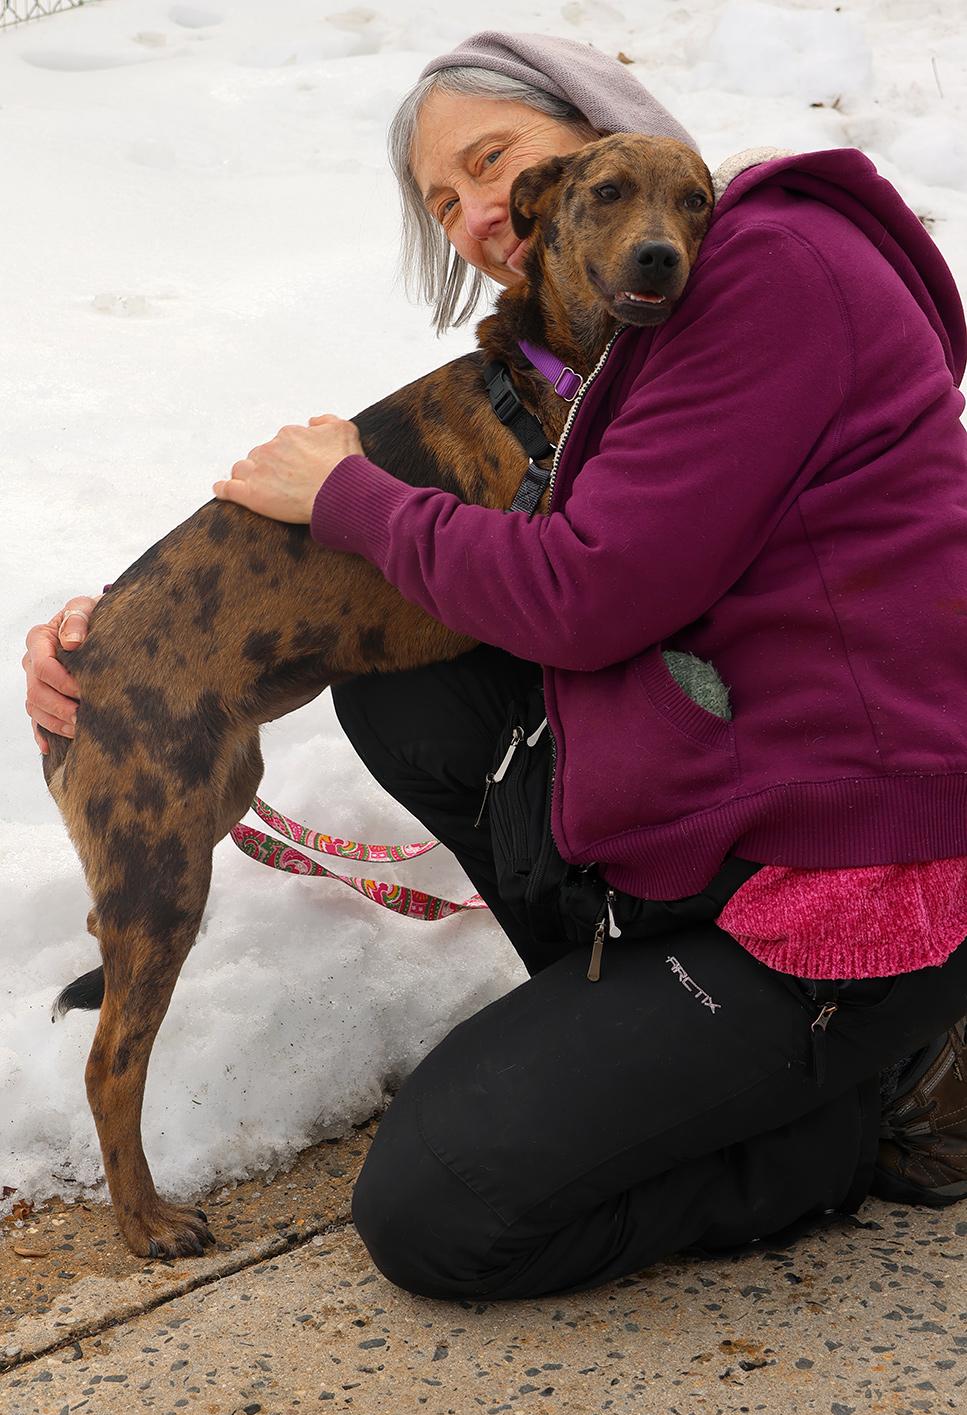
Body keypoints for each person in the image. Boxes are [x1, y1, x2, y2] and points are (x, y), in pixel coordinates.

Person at [23, 32, 967, 1301]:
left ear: (596, 134)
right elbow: (417, 575)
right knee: (408, 684)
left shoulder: (769, 273)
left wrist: (352, 498)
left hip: (850, 877)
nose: (474, 214)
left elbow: (586, 592)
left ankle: (860, 1112)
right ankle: (647, 1050)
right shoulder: (597, 372)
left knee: (443, 1208)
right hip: (716, 831)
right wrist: (122, 635)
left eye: (494, 162)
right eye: (441, 200)